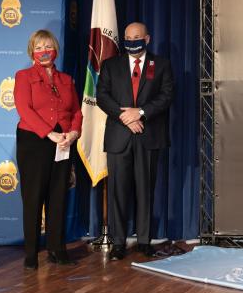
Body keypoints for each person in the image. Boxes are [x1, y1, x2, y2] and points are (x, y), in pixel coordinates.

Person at [96, 22, 174, 260]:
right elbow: (102, 96)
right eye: (128, 38)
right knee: (118, 192)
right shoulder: (110, 65)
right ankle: (118, 243)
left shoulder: (160, 64)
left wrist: (140, 113)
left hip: (148, 137)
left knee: (145, 191)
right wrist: (125, 117)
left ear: (147, 39)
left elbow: (166, 96)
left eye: (137, 37)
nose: (132, 41)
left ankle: (144, 241)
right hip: (119, 137)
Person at [14, 30, 82, 269]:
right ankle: (31, 253)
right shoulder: (23, 76)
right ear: (32, 51)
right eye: (39, 47)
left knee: (58, 196)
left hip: (64, 142)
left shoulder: (66, 79)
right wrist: (49, 133)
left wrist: (73, 133)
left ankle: (57, 249)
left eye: (48, 46)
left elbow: (76, 111)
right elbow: (25, 109)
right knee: (33, 198)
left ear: (56, 50)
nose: (44, 51)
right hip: (34, 141)